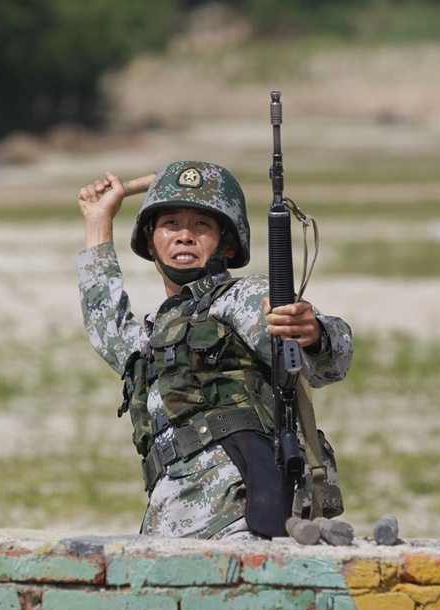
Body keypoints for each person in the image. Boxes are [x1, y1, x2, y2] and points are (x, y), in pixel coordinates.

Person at [76, 160, 353, 541]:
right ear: (150, 240)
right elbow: (105, 324)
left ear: (227, 243)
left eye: (201, 225)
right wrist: (98, 222)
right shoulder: (155, 331)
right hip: (166, 520)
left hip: (240, 515)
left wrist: (313, 334)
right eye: (170, 223)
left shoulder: (241, 297)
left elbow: (325, 363)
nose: (185, 236)